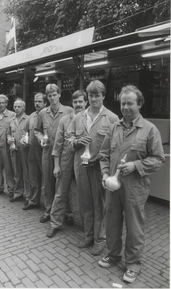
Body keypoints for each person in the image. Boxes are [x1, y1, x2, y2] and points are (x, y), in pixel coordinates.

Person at [98, 85, 165, 283]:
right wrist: (104, 174)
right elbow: (103, 155)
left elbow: (159, 159)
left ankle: (133, 263)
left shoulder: (149, 129)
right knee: (111, 220)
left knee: (135, 226)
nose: (126, 107)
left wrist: (136, 165)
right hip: (113, 185)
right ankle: (113, 253)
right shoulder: (114, 127)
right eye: (122, 103)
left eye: (130, 103)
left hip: (135, 187)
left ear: (140, 104)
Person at [66, 80, 119, 256]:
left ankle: (100, 239)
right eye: (91, 95)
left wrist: (102, 160)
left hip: (99, 168)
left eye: (97, 95)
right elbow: (69, 137)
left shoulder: (111, 118)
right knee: (84, 202)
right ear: (87, 97)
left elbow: (116, 146)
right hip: (81, 166)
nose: (94, 98)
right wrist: (76, 141)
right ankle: (88, 235)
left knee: (100, 203)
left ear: (103, 96)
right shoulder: (78, 117)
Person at [46, 90, 88, 238]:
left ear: (86, 103)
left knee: (84, 195)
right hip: (66, 158)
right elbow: (57, 144)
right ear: (72, 103)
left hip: (83, 160)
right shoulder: (65, 120)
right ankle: (55, 223)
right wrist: (57, 165)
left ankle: (87, 226)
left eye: (81, 102)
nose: (78, 104)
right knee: (60, 192)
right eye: (75, 102)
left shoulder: (90, 119)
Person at [35, 83, 73, 223]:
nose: (52, 98)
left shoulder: (69, 111)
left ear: (59, 94)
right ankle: (48, 210)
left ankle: (67, 213)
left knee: (63, 183)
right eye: (49, 96)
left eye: (54, 95)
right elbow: (37, 130)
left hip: (64, 154)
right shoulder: (42, 113)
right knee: (48, 182)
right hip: (47, 152)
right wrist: (40, 139)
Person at [22, 92, 47, 210]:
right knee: (33, 178)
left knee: (47, 181)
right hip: (32, 152)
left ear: (45, 103)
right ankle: (34, 201)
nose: (37, 104)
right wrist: (23, 139)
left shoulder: (48, 115)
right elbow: (25, 132)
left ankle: (48, 206)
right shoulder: (31, 116)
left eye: (39, 101)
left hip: (44, 152)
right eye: (35, 101)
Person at [7, 99, 30, 203]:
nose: (16, 108)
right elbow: (8, 134)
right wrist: (9, 141)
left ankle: (28, 195)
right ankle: (18, 193)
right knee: (17, 173)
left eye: (19, 107)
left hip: (25, 150)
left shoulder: (28, 119)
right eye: (15, 106)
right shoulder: (11, 120)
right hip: (14, 150)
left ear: (23, 108)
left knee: (27, 173)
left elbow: (31, 134)